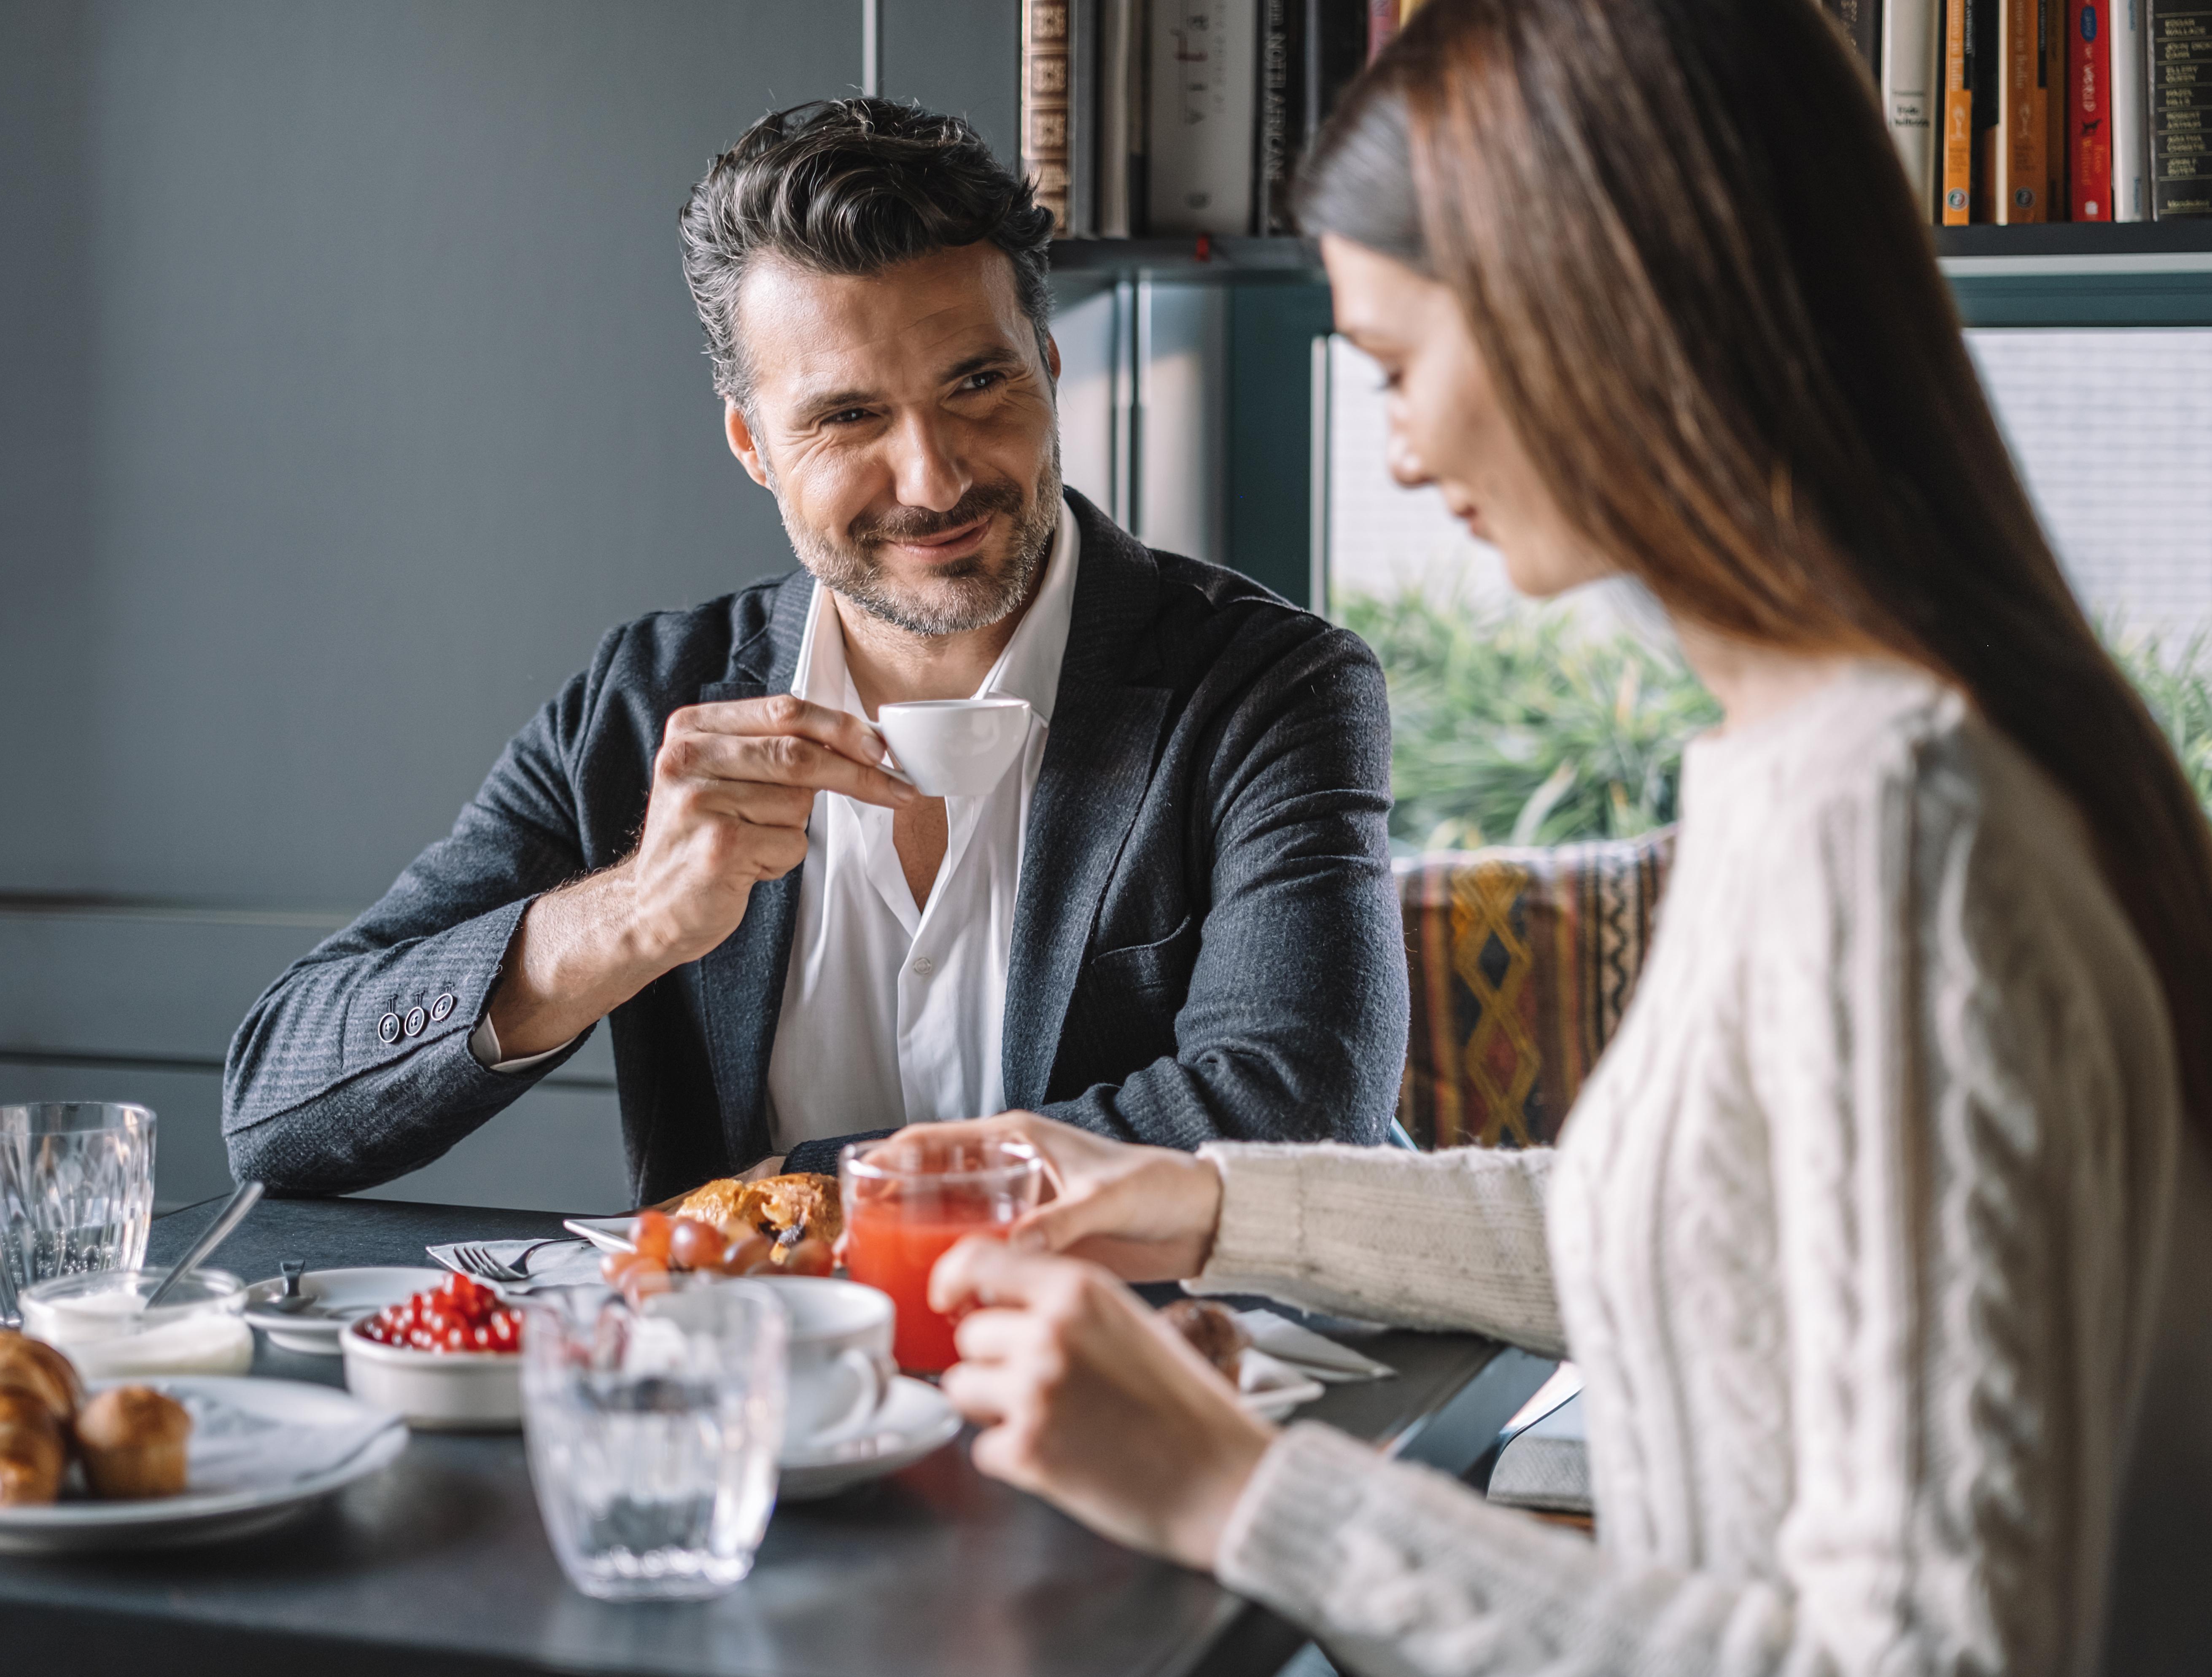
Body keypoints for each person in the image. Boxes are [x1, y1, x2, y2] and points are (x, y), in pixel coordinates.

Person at [921, 0, 2212, 1670]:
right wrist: (1204, 1198)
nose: (1395, 448)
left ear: (1590, 311)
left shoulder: (1884, 822)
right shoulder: (1845, 748)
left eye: (1397, 365)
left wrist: (1239, 1489)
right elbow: (1697, 1234)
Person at [220, 100, 1412, 1207]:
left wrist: (811, 1190)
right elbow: (277, 1103)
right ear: (752, 443)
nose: (934, 478)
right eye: (849, 417)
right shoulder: (646, 702)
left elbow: (1292, 1113)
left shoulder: (1274, 688)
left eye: (979, 383)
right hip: (743, 1422)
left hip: (1127, 1407)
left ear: (1051, 373)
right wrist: (632, 914)